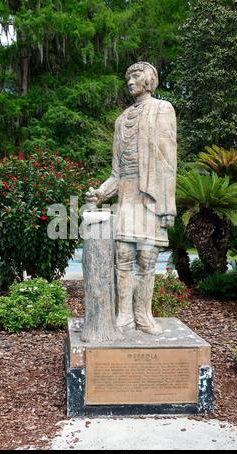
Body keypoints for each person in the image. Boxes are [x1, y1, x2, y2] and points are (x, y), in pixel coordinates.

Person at [86, 62, 177, 334]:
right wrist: (100, 193)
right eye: (127, 77)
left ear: (149, 79)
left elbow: (168, 161)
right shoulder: (121, 119)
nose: (130, 81)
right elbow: (116, 172)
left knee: (147, 257)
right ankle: (124, 315)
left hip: (151, 195)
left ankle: (144, 315)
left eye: (135, 76)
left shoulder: (163, 109)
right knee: (123, 255)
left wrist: (168, 206)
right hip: (126, 194)